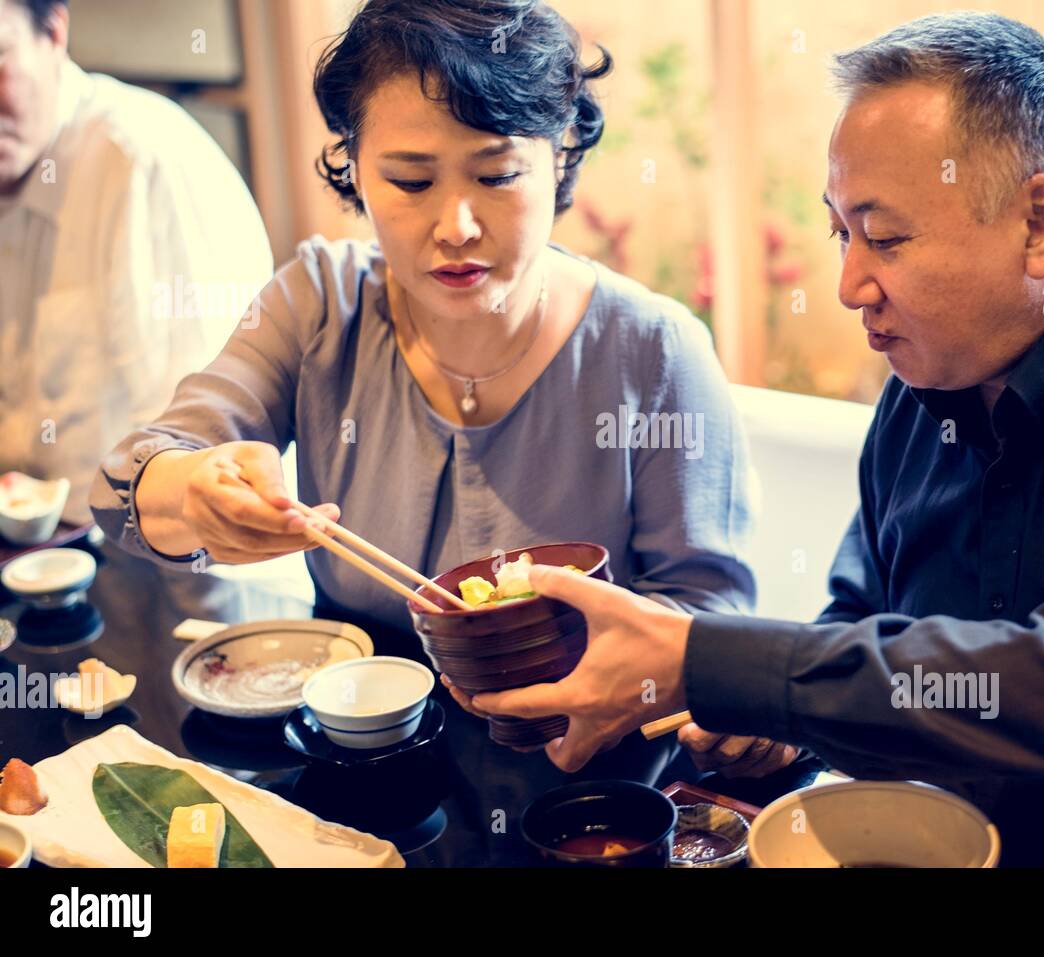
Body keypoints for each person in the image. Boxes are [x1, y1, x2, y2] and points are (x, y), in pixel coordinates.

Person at [473, 12, 1044, 866]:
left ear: (1041, 223)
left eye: (886, 237)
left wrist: (705, 657)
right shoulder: (922, 392)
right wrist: (784, 731)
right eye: (841, 232)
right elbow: (862, 621)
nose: (848, 284)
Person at [91, 0, 788, 862]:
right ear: (352, 165)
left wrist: (638, 682)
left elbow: (709, 613)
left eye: (496, 176)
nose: (455, 225)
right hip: (358, 794)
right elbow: (122, 489)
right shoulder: (321, 302)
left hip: (591, 806)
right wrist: (192, 491)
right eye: (411, 181)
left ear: (561, 151)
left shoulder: (650, 348)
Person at [0, 0, 272, 523]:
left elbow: (207, 451)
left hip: (185, 581)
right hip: (55, 571)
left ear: (54, 30)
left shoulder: (142, 162)